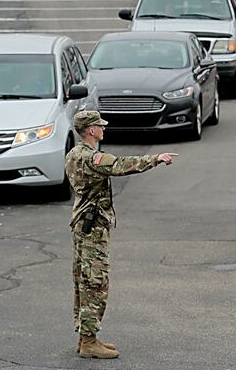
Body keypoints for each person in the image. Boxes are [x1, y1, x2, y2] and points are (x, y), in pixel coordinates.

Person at [65, 110, 178, 359]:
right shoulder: (92, 158)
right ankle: (88, 342)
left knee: (83, 280)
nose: (103, 129)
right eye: (100, 126)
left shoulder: (73, 154)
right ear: (91, 130)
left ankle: (86, 336)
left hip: (82, 224)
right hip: (93, 228)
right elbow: (121, 165)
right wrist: (156, 158)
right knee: (95, 282)